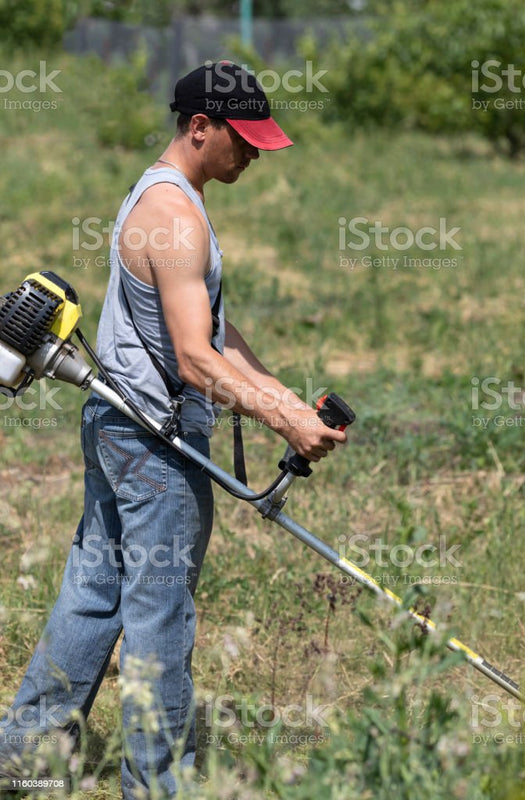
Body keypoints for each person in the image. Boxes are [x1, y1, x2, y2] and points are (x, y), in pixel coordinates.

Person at [0, 61, 346, 798]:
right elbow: (192, 359)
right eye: (244, 140)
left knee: (93, 592)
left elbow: (208, 327)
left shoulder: (163, 196)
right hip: (154, 444)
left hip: (116, 425)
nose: (253, 154)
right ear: (199, 127)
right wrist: (281, 416)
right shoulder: (176, 215)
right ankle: (156, 783)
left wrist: (275, 390)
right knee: (160, 620)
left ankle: (27, 757)